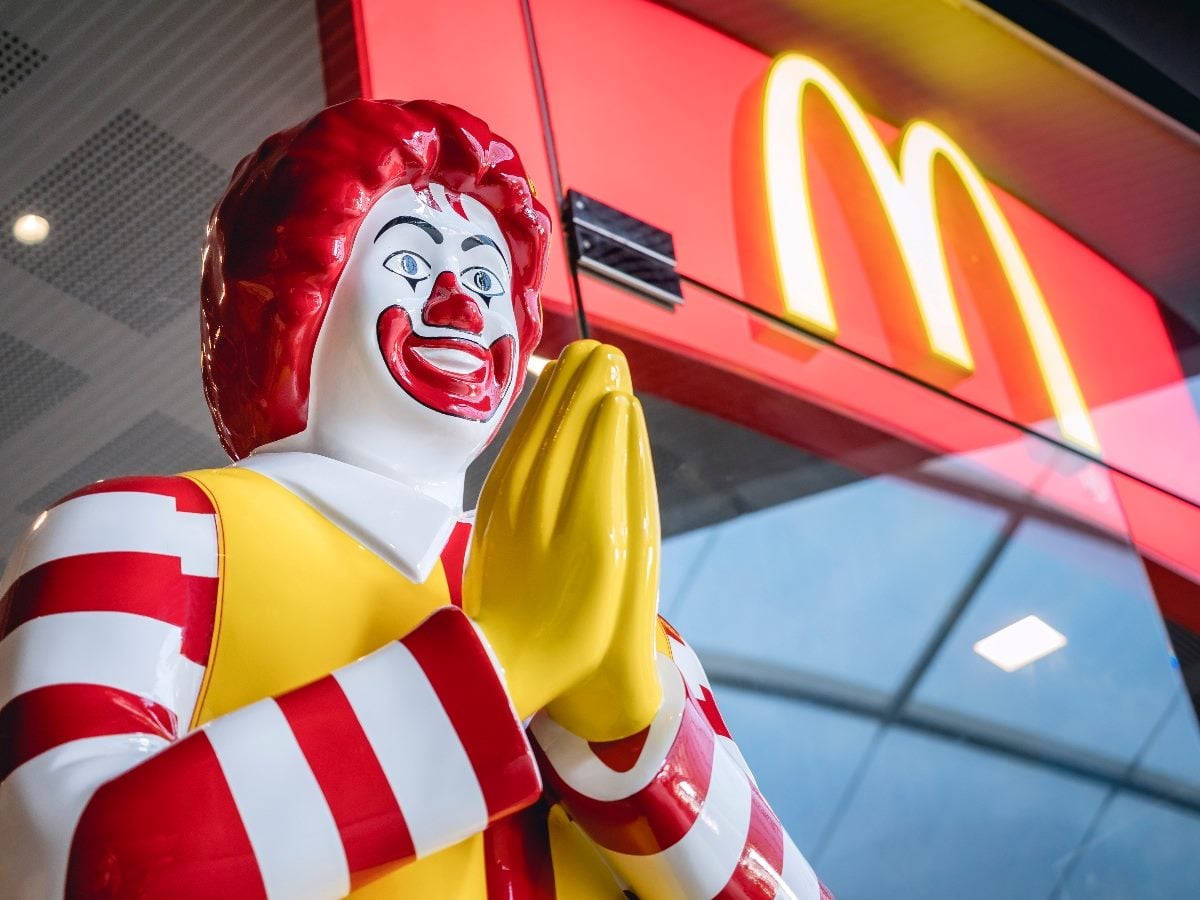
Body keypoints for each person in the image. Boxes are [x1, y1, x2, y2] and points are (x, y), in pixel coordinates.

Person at [0, 99, 830, 899]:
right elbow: (68, 863)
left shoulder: (630, 629)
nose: (462, 305)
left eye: (484, 275)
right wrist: (504, 667)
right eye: (408, 262)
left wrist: (633, 738)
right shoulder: (145, 534)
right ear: (293, 302)